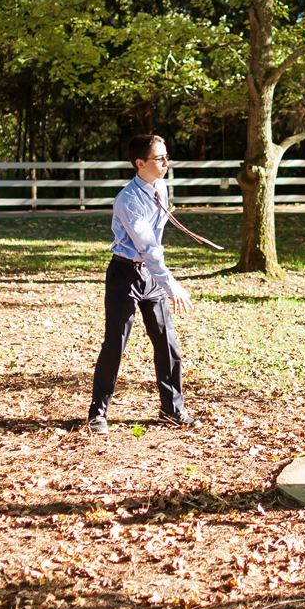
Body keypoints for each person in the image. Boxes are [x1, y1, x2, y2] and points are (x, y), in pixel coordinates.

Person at [87, 135, 201, 433]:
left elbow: (155, 243)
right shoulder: (127, 200)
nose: (166, 163)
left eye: (166, 156)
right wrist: (171, 283)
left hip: (150, 275)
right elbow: (148, 246)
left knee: (167, 343)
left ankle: (172, 410)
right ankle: (97, 413)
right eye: (159, 158)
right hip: (124, 275)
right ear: (140, 163)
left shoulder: (160, 187)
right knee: (115, 345)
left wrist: (161, 280)